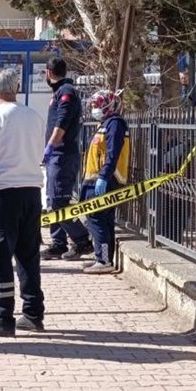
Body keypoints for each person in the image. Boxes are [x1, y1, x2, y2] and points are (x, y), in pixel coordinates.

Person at [0, 68, 46, 336]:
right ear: (16, 89)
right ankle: (33, 312)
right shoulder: (33, 116)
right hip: (31, 191)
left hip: (1, 193)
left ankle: (4, 316)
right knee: (28, 255)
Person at [41, 58, 92, 260]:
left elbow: (63, 121)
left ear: (49, 73)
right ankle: (58, 243)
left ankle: (81, 241)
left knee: (59, 201)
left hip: (62, 155)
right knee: (53, 199)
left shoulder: (66, 92)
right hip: (58, 155)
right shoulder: (60, 91)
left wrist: (51, 145)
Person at [78, 90, 130, 274]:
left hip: (105, 180)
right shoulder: (105, 123)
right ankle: (104, 258)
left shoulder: (115, 124)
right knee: (103, 219)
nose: (94, 109)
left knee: (96, 218)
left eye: (96, 106)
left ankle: (104, 259)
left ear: (108, 105)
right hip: (95, 180)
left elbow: (112, 153)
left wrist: (103, 176)